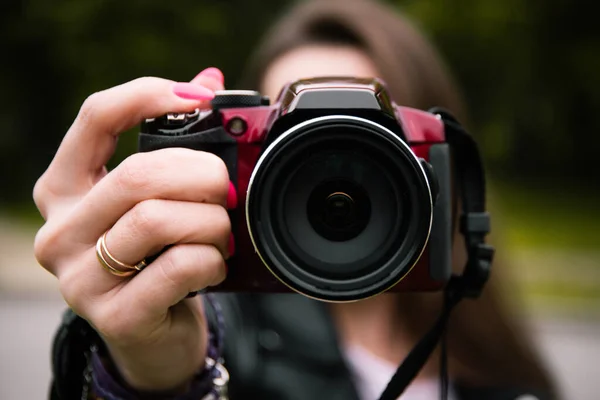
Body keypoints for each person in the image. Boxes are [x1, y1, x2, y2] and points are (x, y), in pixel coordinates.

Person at [33, 0, 557, 399]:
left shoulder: (494, 362)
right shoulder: (215, 326)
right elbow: (187, 355)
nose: (324, 161)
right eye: (294, 139)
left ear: (437, 165)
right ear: (238, 159)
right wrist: (146, 366)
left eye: (363, 131)